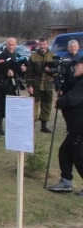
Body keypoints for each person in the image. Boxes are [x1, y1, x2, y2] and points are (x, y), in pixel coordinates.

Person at [48, 57, 83, 196]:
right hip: (75, 127)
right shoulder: (78, 81)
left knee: (79, 156)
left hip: (80, 127)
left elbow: (72, 99)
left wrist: (60, 101)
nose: (75, 67)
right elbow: (68, 88)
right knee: (65, 152)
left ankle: (66, 181)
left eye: (78, 65)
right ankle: (66, 181)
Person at [0, 38, 27, 135]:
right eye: (9, 44)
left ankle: (12, 127)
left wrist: (23, 69)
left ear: (16, 45)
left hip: (14, 84)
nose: (11, 46)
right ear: (6, 45)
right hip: (3, 84)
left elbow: (23, 68)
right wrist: (5, 72)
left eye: (13, 45)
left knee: (13, 106)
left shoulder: (18, 56)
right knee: (1, 106)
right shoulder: (0, 56)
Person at [25, 37, 55, 133]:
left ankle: (44, 126)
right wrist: (29, 85)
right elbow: (29, 72)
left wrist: (51, 71)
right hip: (36, 84)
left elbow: (57, 72)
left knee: (47, 105)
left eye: (44, 44)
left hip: (48, 84)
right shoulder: (33, 56)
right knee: (34, 105)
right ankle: (31, 125)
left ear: (47, 44)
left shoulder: (53, 56)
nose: (42, 46)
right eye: (41, 44)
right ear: (39, 45)